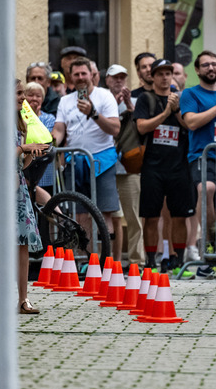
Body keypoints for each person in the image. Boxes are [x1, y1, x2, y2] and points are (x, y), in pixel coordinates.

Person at [51, 57, 122, 262]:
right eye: (76, 74)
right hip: (76, 161)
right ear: (70, 77)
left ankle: (107, 262)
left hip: (103, 159)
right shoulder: (65, 100)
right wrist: (50, 144)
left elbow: (115, 129)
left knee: (105, 213)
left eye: (84, 73)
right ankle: (87, 261)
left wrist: (93, 113)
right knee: (80, 213)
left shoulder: (105, 96)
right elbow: (59, 129)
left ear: (92, 74)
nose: (81, 77)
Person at [134, 59, 196, 273]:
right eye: (160, 73)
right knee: (151, 216)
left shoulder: (182, 98)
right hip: (152, 166)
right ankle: (151, 262)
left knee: (180, 216)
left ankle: (178, 262)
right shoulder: (146, 98)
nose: (165, 77)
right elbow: (142, 127)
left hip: (179, 166)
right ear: (152, 76)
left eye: (168, 73)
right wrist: (165, 113)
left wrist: (176, 110)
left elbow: (189, 125)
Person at [180, 50, 216, 273]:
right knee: (207, 189)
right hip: (202, 155)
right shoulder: (190, 94)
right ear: (197, 69)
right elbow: (191, 122)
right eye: (206, 65)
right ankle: (208, 245)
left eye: (215, 65)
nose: (212, 68)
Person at [105, 63, 144, 268]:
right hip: (106, 165)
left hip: (129, 165)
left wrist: (129, 106)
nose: (119, 81)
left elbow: (142, 129)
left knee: (133, 216)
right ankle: (108, 261)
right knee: (110, 216)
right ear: (107, 80)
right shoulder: (102, 100)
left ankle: (137, 261)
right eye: (114, 78)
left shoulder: (135, 101)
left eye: (122, 77)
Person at [16, 79, 48, 315]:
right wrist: (24, 149)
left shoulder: (22, 123)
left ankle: (23, 299)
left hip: (18, 188)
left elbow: (22, 164)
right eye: (18, 93)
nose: (23, 98)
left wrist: (32, 154)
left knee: (23, 244)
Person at [23, 81, 57, 203]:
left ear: (43, 99)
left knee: (25, 184)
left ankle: (58, 216)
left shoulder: (48, 118)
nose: (34, 98)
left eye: (38, 96)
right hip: (29, 157)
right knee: (27, 186)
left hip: (40, 159)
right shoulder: (20, 114)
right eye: (30, 95)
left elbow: (44, 137)